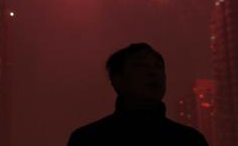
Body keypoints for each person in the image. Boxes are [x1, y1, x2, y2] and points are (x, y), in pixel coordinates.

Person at [67, 43, 209, 146]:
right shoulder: (87, 140)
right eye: (140, 66)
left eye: (158, 67)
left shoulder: (190, 140)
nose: (153, 72)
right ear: (117, 80)